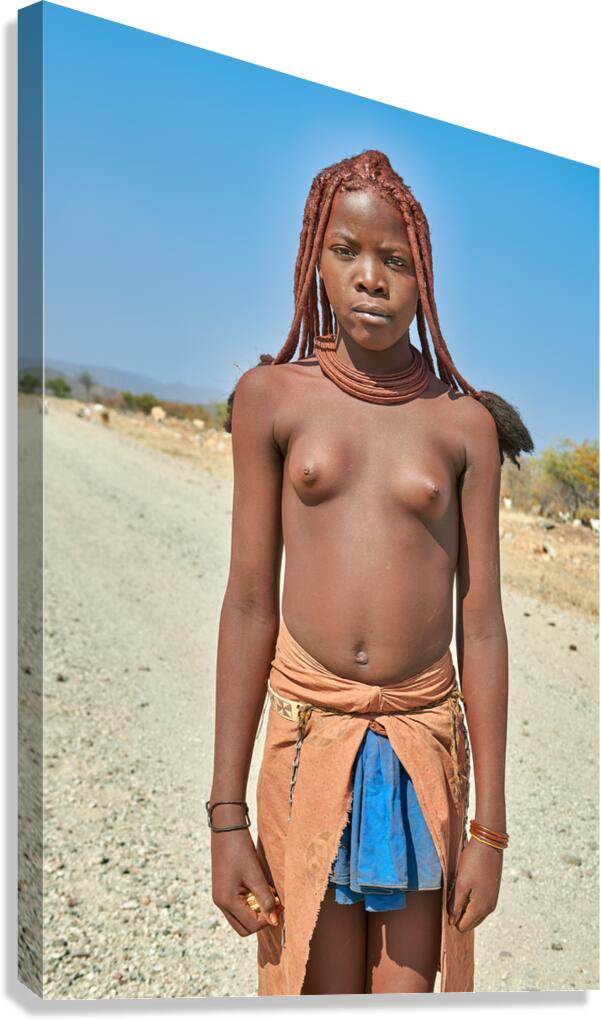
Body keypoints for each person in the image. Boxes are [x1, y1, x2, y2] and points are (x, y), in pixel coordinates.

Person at [207, 149, 533, 996]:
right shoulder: (270, 398)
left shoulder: (463, 427)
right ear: (312, 256)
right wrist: (224, 816)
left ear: (423, 276)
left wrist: (487, 830)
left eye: (395, 260)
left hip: (419, 744)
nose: (369, 279)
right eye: (345, 251)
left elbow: (483, 625)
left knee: (403, 995)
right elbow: (247, 604)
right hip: (308, 742)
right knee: (315, 987)